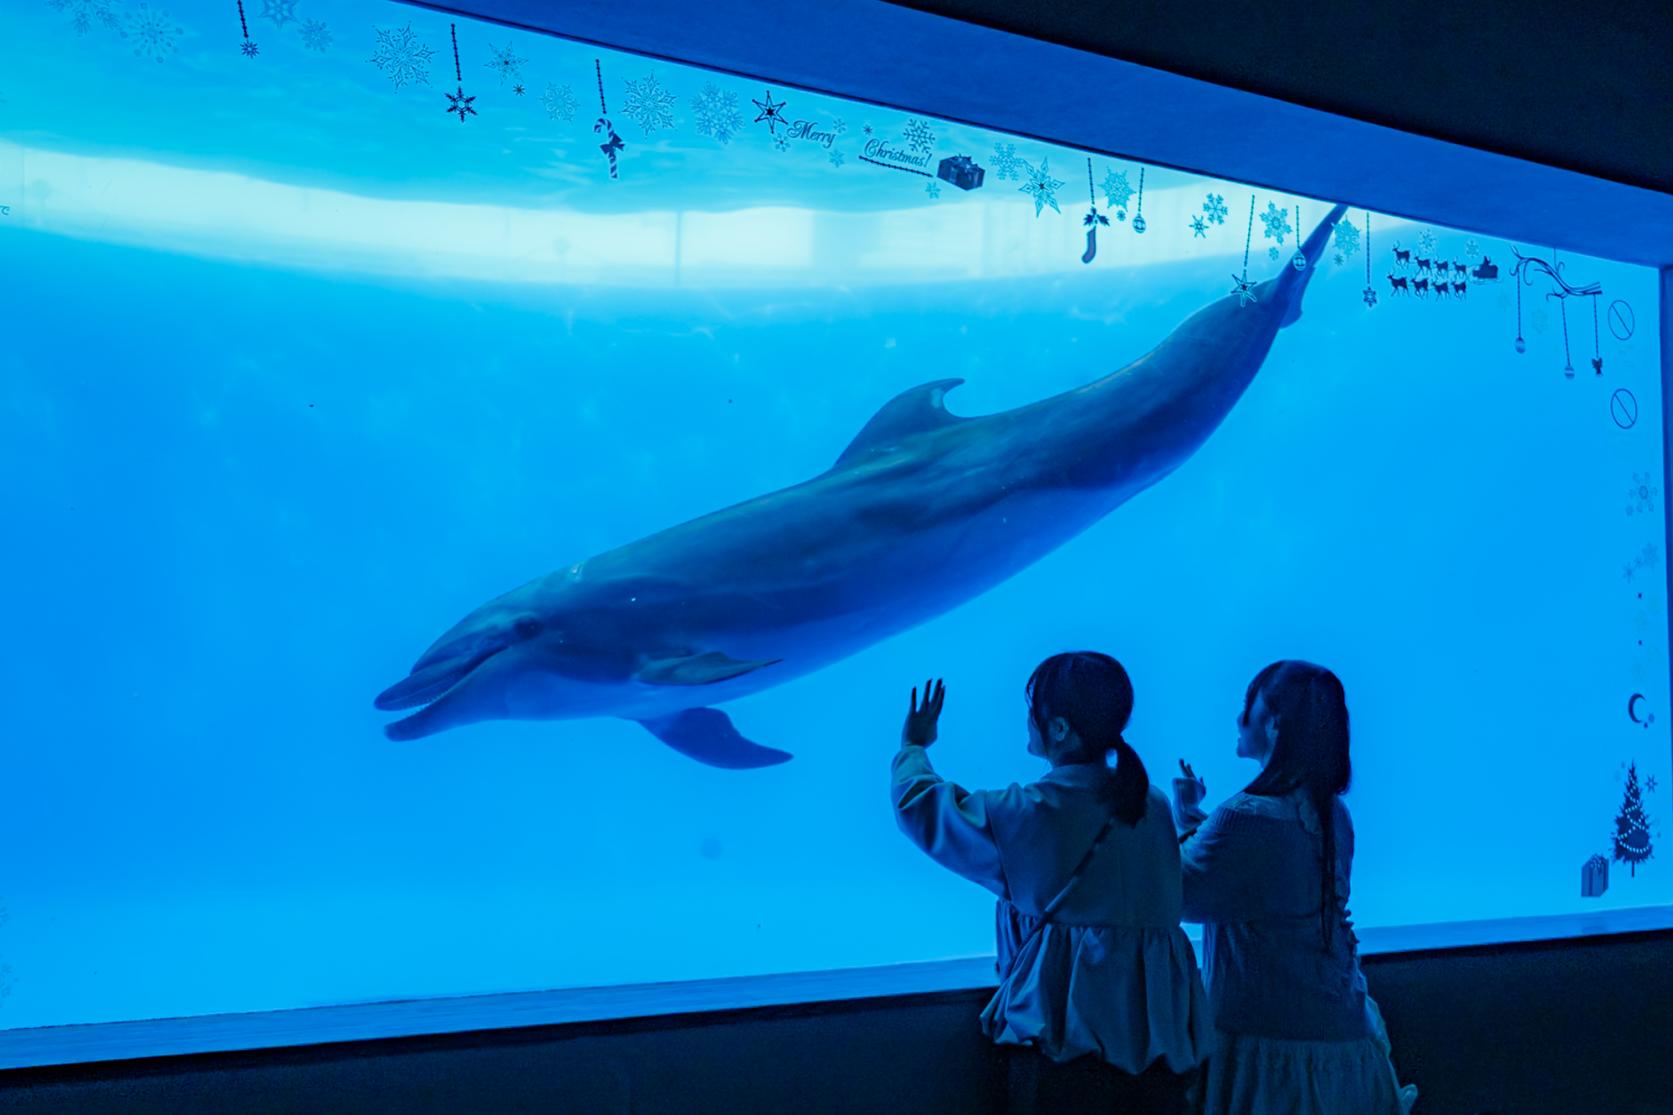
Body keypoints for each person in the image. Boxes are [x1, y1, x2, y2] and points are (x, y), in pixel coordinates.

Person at [890, 653, 1212, 1114]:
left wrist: (914, 747)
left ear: (1058, 728)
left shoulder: (1036, 810)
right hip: (1158, 1059)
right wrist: (1190, 814)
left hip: (1064, 1057)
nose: (1027, 719)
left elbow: (921, 809)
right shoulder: (1153, 805)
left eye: (1033, 709)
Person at [1173, 659, 1418, 1115]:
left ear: (1273, 723)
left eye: (1249, 704)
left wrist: (1173, 818)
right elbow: (1257, 876)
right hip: (1344, 1042)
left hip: (1269, 1052)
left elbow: (1182, 895)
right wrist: (1192, 817)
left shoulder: (1244, 818)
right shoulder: (1331, 812)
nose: (1239, 717)